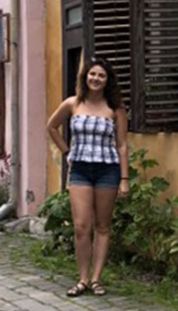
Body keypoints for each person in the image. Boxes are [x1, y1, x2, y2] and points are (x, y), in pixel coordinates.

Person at [46, 56, 129, 297]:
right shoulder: (73, 103)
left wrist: (124, 179)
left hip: (107, 170)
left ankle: (96, 279)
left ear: (107, 80)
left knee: (102, 226)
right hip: (80, 170)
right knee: (82, 226)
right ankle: (82, 279)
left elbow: (122, 145)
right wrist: (66, 152)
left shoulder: (115, 109)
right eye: (93, 74)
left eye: (101, 75)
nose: (96, 79)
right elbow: (51, 126)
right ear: (85, 77)